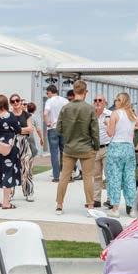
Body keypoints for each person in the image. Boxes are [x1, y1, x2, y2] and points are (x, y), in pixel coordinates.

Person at [55, 80, 99, 215]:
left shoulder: (65, 108)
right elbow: (95, 131)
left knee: (64, 177)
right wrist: (96, 146)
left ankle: (59, 205)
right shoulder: (90, 109)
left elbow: (58, 129)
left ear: (74, 91)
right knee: (88, 177)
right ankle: (90, 206)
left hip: (69, 148)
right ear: (86, 92)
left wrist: (68, 136)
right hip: (86, 148)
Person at [105, 92, 138, 217]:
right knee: (129, 178)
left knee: (114, 177)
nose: (115, 102)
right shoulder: (132, 115)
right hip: (129, 148)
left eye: (117, 99)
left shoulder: (115, 114)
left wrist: (107, 123)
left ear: (122, 101)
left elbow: (110, 133)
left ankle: (115, 209)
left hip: (116, 147)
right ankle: (133, 209)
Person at [0, 94, 22, 209]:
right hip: (8, 146)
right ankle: (6, 203)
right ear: (6, 103)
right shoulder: (10, 115)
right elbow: (18, 130)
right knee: (8, 172)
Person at [10, 94, 35, 202]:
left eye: (17, 100)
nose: (15, 102)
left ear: (20, 101)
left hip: (24, 143)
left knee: (26, 168)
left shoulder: (26, 115)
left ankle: (28, 192)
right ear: (11, 103)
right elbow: (9, 130)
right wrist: (22, 129)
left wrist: (17, 129)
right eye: (13, 101)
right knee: (11, 168)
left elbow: (30, 129)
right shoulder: (9, 115)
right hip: (12, 143)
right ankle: (10, 193)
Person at [44, 85, 69, 182]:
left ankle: (56, 176)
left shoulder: (49, 101)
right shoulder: (65, 101)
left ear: (50, 92)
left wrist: (47, 123)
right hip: (64, 128)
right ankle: (65, 174)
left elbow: (45, 113)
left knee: (54, 153)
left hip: (53, 128)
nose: (47, 95)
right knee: (64, 152)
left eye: (47, 93)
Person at [92, 94, 111, 208]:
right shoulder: (90, 114)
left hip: (107, 148)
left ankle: (110, 199)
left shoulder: (110, 114)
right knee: (96, 176)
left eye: (100, 100)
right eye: (95, 100)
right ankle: (96, 200)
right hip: (94, 149)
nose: (97, 102)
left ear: (105, 103)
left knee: (109, 175)